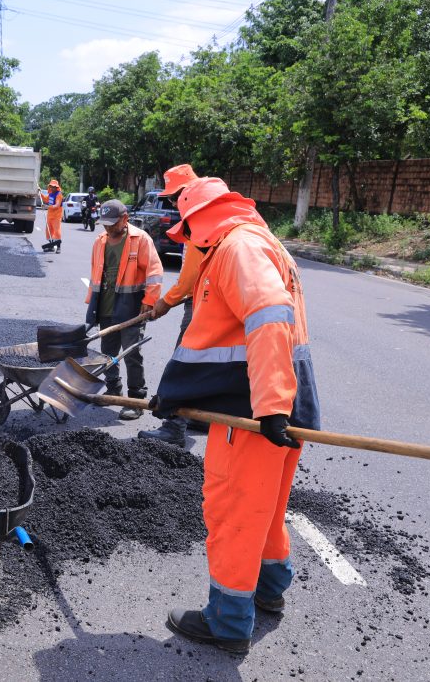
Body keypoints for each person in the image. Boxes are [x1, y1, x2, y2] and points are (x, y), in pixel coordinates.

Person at [150, 177, 320, 653]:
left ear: (200, 219)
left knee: (233, 511)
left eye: (188, 227)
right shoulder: (261, 241)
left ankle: (227, 620)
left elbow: (267, 315)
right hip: (286, 400)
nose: (189, 237)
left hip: (252, 407)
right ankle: (268, 592)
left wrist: (268, 407)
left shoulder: (237, 249)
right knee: (266, 509)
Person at [138, 164, 202, 447]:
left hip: (207, 302)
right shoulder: (207, 216)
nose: (174, 203)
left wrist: (164, 302)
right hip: (211, 298)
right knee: (213, 362)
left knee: (184, 361)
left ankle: (174, 425)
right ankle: (201, 415)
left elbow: (189, 277)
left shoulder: (201, 221)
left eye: (176, 196)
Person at [85, 199, 164, 419]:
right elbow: (96, 274)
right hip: (106, 306)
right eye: (105, 224)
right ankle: (113, 389)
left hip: (131, 307)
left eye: (112, 223)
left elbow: (155, 273)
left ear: (125, 219)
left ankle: (136, 400)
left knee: (131, 354)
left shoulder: (140, 239)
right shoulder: (100, 241)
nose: (108, 228)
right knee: (108, 353)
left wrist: (149, 300)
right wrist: (92, 304)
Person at [40, 179, 64, 252]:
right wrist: (40, 192)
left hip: (56, 216)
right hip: (50, 215)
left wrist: (47, 207)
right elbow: (46, 199)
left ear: (57, 187)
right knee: (49, 231)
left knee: (57, 231)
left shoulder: (58, 195)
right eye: (51, 186)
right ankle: (51, 246)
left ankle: (58, 247)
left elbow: (57, 205)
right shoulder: (50, 194)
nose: (52, 188)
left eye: (54, 187)